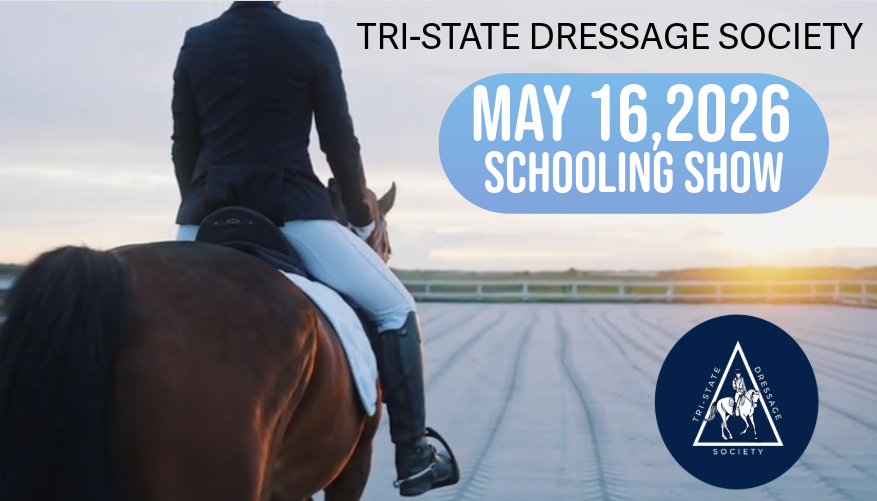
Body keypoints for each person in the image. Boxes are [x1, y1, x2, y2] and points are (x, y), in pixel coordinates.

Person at [169, 1, 456, 496]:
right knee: (395, 308)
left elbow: (183, 145)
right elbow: (339, 142)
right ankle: (412, 455)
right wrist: (364, 220)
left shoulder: (197, 40)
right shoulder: (308, 37)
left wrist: (200, 205)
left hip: (203, 217)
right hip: (291, 211)